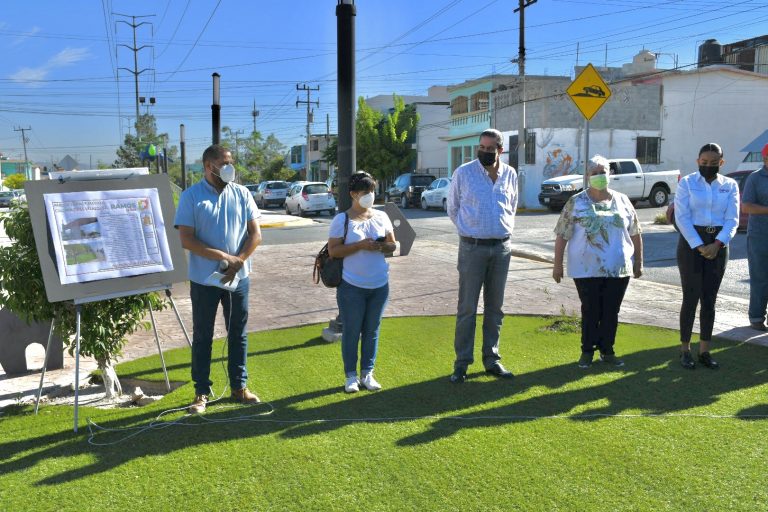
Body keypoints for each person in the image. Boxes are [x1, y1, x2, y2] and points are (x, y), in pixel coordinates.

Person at [174, 144, 262, 413]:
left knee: (238, 333)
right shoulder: (191, 197)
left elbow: (255, 234)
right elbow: (187, 240)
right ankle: (201, 391)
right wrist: (225, 258)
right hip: (204, 280)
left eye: (230, 162)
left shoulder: (242, 193)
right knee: (203, 335)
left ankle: (239, 386)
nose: (229, 167)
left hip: (238, 278)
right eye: (224, 162)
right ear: (208, 166)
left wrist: (239, 262)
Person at [552, 155, 643, 368]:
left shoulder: (622, 200)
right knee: (591, 309)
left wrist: (639, 261)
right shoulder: (576, 202)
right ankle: (587, 351)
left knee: (611, 310)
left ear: (610, 174)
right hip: (586, 269)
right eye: (595, 173)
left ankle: (607, 350)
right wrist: (557, 265)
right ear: (587, 177)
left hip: (618, 268)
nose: (600, 176)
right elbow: (561, 234)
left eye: (603, 172)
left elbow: (636, 232)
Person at [447, 128, 517, 383]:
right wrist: (471, 231)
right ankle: (462, 363)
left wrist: (499, 231)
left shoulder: (510, 174)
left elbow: (512, 207)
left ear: (501, 150)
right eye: (482, 148)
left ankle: (492, 359)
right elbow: (452, 208)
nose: (485, 152)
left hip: (501, 248)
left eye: (491, 149)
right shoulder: (463, 173)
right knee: (467, 308)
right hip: (472, 248)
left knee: (495, 308)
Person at [327, 171, 397, 393]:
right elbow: (334, 251)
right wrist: (359, 245)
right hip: (351, 286)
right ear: (353, 194)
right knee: (352, 330)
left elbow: (393, 246)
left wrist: (381, 246)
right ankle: (351, 376)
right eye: (365, 192)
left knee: (372, 330)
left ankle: (368, 373)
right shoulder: (342, 220)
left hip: (379, 285)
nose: (370, 196)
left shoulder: (381, 217)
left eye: (372, 191)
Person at [674, 142, 739, 370]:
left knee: (709, 300)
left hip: (719, 244)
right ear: (697, 161)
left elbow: (733, 219)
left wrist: (718, 244)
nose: (708, 166)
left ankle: (704, 350)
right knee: (690, 298)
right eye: (704, 163)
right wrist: (700, 246)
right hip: (692, 244)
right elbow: (681, 217)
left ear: (721, 163)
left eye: (713, 163)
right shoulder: (688, 183)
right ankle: (685, 349)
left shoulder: (730, 185)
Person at [741, 143, 768, 331]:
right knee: (760, 278)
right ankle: (757, 317)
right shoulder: (755, 178)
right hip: (760, 236)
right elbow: (746, 207)